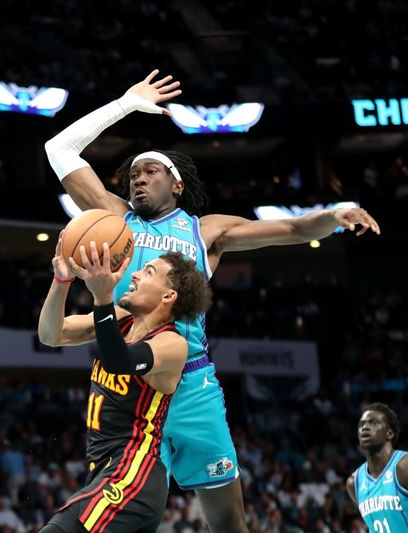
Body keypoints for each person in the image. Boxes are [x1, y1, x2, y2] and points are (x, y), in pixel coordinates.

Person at [44, 69, 382, 532]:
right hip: (130, 380)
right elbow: (58, 149)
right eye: (133, 175)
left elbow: (294, 229)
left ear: (178, 183)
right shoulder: (114, 218)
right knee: (122, 510)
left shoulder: (206, 231)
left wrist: (335, 214)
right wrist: (124, 104)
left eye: (150, 172)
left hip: (191, 381)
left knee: (228, 522)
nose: (137, 181)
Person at [38, 238, 211, 532]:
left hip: (133, 473)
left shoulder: (172, 344)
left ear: (169, 296)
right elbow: (52, 334)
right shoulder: (120, 320)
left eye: (149, 272)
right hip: (104, 472)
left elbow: (119, 361)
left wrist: (103, 296)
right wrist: (61, 281)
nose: (135, 274)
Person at [346, 403, 408, 531]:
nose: (365, 428)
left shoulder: (403, 466)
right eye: (361, 425)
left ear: (389, 434)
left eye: (373, 423)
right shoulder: (354, 483)